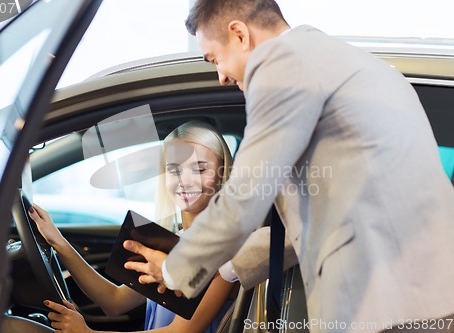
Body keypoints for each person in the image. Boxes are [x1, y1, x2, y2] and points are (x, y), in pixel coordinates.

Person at [122, 0, 454, 332]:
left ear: (239, 34)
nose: (221, 76)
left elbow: (244, 197)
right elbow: (317, 218)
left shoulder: (283, 67)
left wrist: (174, 269)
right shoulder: (344, 62)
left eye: (215, 59)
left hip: (389, 301)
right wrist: (227, 268)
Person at [28, 120, 238, 333]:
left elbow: (182, 331)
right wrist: (59, 243)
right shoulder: (172, 242)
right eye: (174, 170)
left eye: (200, 169)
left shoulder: (227, 248)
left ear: (222, 173)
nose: (185, 181)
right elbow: (114, 301)